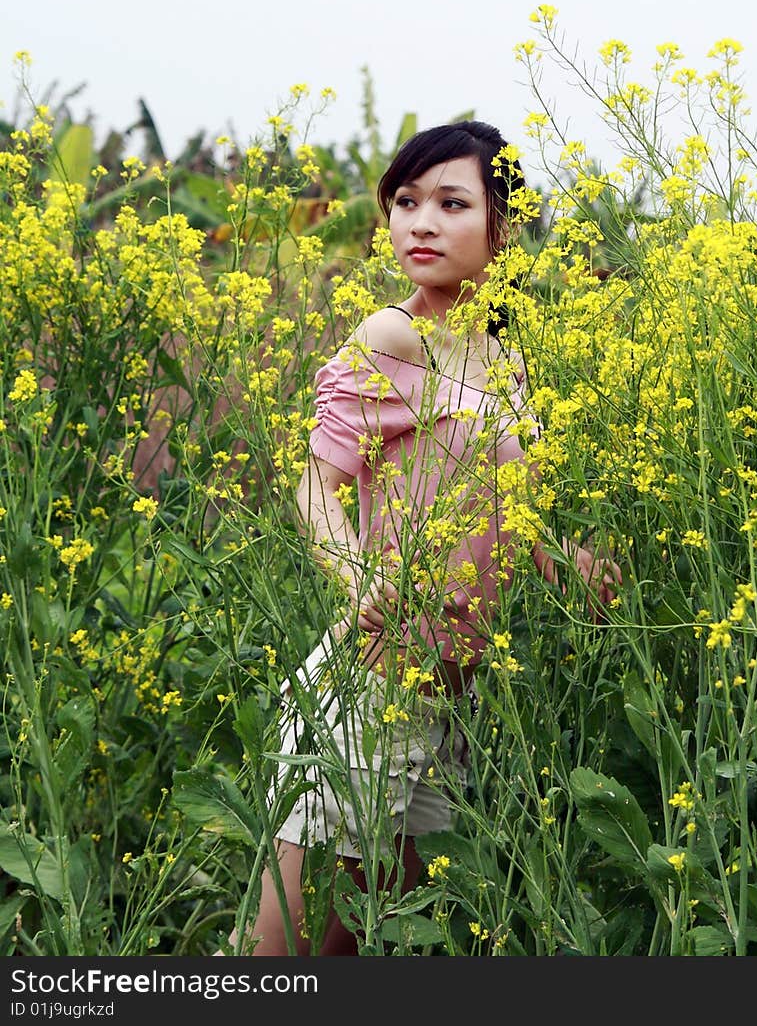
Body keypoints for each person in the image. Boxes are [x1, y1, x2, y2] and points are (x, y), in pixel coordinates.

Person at [218, 119, 620, 956]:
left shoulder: (504, 356)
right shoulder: (391, 336)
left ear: (502, 228)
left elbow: (498, 506)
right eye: (405, 202)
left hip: (451, 696)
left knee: (361, 945)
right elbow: (314, 483)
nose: (420, 223)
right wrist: (358, 573)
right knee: (284, 952)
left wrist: (560, 560)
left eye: (450, 202)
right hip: (369, 686)